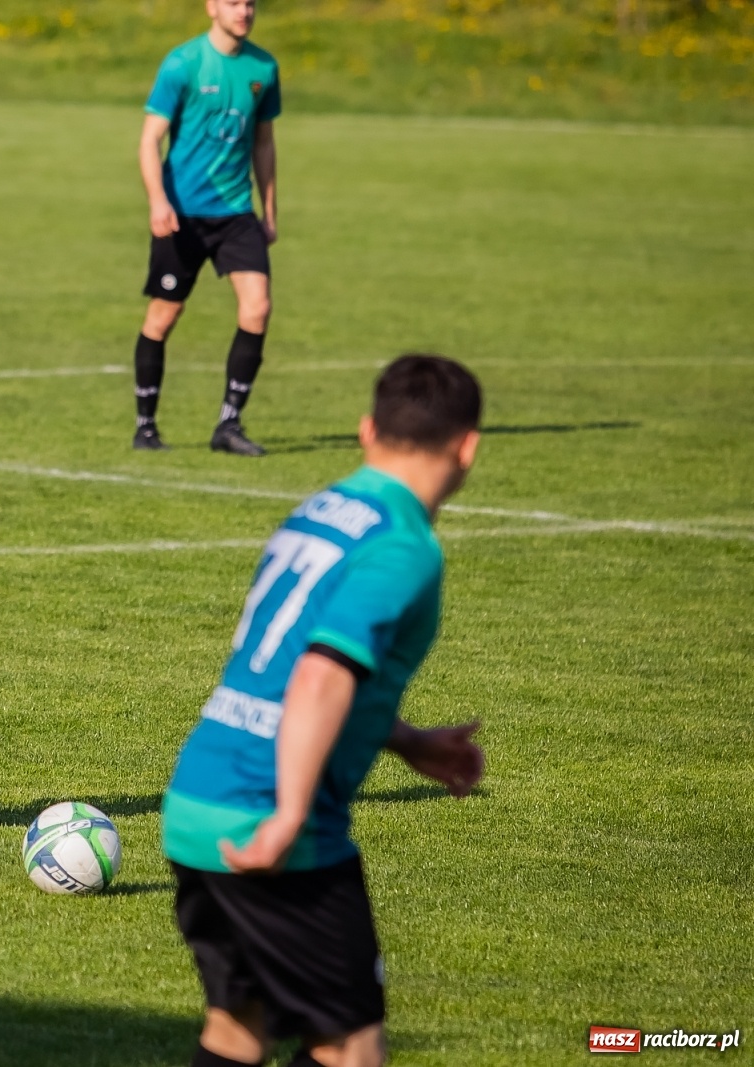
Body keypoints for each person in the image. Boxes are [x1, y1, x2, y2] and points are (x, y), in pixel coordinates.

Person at [162, 354, 488, 1067]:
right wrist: (286, 814)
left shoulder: (323, 508)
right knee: (352, 1046)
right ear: (469, 446)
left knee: (241, 1027)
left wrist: (401, 739)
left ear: (367, 430)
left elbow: (288, 672)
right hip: (271, 813)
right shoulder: (404, 545)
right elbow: (315, 678)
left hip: (198, 796)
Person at [133, 0, 281, 456]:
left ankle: (229, 424)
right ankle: (146, 426)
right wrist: (158, 201)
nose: (244, 10)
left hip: (237, 213)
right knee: (163, 317)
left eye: (250, 3)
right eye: (234, 2)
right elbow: (149, 140)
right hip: (183, 214)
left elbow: (264, 142)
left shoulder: (264, 67)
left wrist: (269, 209)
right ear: (211, 7)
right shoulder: (184, 63)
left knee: (257, 308)